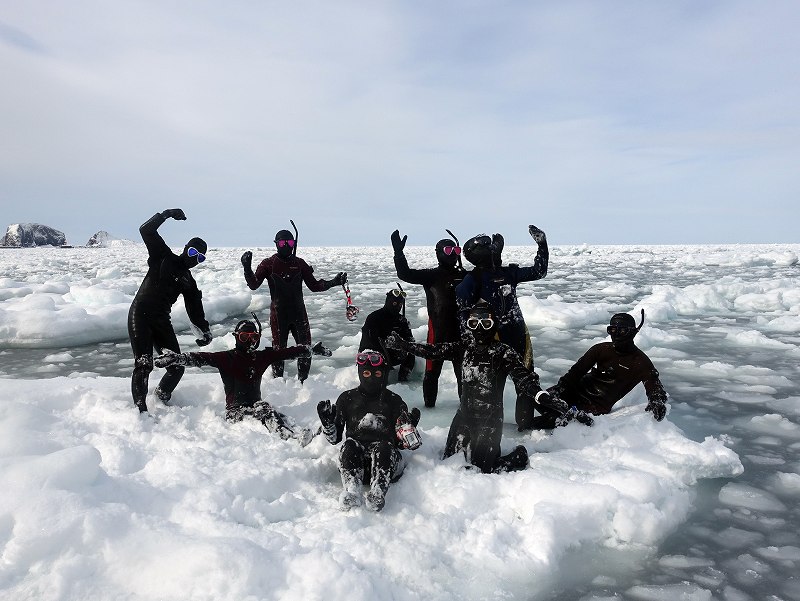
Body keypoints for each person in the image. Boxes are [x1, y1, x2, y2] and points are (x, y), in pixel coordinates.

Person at [386, 301, 568, 474]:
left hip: (490, 419)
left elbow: (524, 378)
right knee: (450, 462)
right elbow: (434, 351)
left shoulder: (503, 352)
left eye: (486, 323)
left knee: (483, 469)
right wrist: (404, 345)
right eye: (474, 322)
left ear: (494, 325)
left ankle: (518, 456)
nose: (479, 328)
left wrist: (540, 394)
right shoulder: (465, 347)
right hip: (464, 415)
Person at [154, 315, 331, 445]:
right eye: (244, 337)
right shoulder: (227, 358)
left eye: (253, 338)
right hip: (235, 413)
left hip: (256, 408)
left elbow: (289, 352)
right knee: (265, 408)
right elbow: (199, 358)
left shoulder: (260, 357)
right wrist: (176, 358)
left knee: (274, 412)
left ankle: (298, 433)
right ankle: (290, 438)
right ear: (236, 337)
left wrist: (311, 350)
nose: (249, 342)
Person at [455, 225, 549, 429]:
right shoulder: (473, 279)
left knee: (526, 382)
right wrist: (471, 341)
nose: (496, 247)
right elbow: (462, 311)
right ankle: (488, 430)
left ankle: (525, 427)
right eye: (490, 245)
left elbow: (539, 271)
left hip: (519, 336)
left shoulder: (508, 273)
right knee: (492, 386)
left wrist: (542, 244)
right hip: (493, 340)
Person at [522, 311, 669, 430]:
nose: (616, 334)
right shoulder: (601, 349)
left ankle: (558, 422)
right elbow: (575, 373)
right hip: (573, 393)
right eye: (612, 330)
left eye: (622, 330)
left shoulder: (640, 362)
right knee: (534, 397)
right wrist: (559, 390)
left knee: (558, 419)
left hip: (594, 407)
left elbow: (655, 386)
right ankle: (555, 417)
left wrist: (657, 400)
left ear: (633, 333)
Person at [128, 208, 212, 413]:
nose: (194, 259)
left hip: (161, 320)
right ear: (185, 248)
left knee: (177, 366)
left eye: (200, 258)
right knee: (144, 363)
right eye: (193, 252)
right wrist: (166, 214)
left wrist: (205, 331)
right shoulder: (163, 256)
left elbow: (195, 310)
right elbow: (146, 230)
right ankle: (141, 411)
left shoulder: (188, 282)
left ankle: (160, 398)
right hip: (140, 314)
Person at [317, 350, 422, 512]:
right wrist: (328, 424)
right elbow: (335, 439)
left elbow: (401, 445)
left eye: (377, 373)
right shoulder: (347, 399)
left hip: (387, 465)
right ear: (359, 373)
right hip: (355, 464)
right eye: (366, 372)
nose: (371, 377)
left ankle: (377, 493)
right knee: (349, 445)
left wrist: (409, 433)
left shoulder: (394, 401)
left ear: (384, 374)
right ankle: (352, 490)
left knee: (384, 447)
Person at [241, 225, 346, 382]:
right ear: (276, 244)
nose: (286, 246)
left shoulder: (300, 263)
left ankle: (304, 383)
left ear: (294, 244)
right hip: (278, 315)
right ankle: (278, 384)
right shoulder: (268, 264)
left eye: (289, 243)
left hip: (299, 314)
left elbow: (315, 286)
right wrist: (247, 269)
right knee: (278, 352)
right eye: (283, 243)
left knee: (305, 350)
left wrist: (334, 282)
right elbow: (254, 285)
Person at [391, 229, 465, 407]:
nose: (453, 255)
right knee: (432, 373)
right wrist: (399, 253)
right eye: (448, 251)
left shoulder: (464, 275)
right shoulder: (431, 275)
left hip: (461, 335)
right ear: (438, 254)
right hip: (438, 334)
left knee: (463, 376)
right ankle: (429, 408)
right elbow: (405, 274)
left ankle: (466, 410)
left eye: (456, 251)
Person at [359, 285, 416, 382]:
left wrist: (404, 347)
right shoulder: (374, 318)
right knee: (374, 358)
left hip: (394, 354)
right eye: (394, 303)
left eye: (400, 305)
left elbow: (410, 339)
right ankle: (379, 384)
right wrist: (387, 348)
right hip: (374, 355)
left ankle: (404, 382)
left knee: (411, 353)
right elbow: (369, 342)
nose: (397, 306)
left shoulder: (401, 320)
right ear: (388, 302)